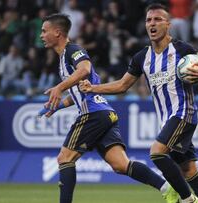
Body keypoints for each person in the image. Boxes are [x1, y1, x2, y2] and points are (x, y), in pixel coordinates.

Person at [79, 4, 198, 203]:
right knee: (189, 171)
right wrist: (93, 88)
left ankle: (188, 200)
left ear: (168, 24)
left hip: (183, 113)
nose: (152, 24)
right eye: (149, 20)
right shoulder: (141, 57)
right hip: (167, 120)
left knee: (156, 152)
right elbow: (122, 85)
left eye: (157, 19)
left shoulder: (183, 49)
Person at [40, 13, 177, 203]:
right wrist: (57, 107)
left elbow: (85, 69)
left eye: (44, 31)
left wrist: (59, 87)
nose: (41, 35)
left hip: (93, 114)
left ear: (57, 32)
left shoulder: (73, 50)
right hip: (105, 113)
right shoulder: (63, 59)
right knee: (121, 165)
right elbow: (79, 94)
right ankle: (167, 188)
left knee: (65, 158)